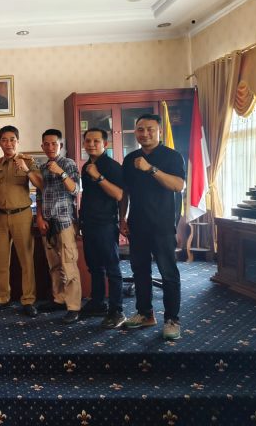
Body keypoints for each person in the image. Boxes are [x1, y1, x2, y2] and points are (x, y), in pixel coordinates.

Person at [120, 113, 185, 340]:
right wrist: (122, 218)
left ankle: (172, 319)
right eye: (140, 129)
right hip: (137, 224)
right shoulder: (130, 159)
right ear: (135, 132)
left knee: (168, 273)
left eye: (150, 129)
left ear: (159, 131)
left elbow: (178, 185)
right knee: (140, 271)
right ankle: (145, 313)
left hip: (162, 225)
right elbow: (125, 192)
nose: (145, 133)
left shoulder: (172, 156)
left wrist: (151, 169)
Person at [0, 126, 42, 317]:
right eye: (4, 140)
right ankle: (2, 298)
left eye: (12, 140)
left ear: (17, 141)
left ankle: (28, 300)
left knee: (26, 260)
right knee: (1, 260)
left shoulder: (28, 161)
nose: (8, 143)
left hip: (22, 215)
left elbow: (40, 184)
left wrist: (26, 170)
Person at [79, 128, 126, 329]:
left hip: (106, 224)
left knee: (112, 268)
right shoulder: (86, 166)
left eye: (96, 141)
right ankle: (98, 303)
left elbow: (119, 195)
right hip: (89, 223)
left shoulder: (112, 166)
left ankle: (117, 311)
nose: (91, 144)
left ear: (105, 144)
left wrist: (98, 177)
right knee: (94, 266)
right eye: (88, 141)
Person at [35, 128, 81, 324]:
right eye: (46, 144)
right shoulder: (43, 167)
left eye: (54, 143)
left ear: (60, 145)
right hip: (48, 222)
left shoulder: (68, 163)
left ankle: (74, 306)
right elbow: (40, 195)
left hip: (64, 222)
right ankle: (59, 299)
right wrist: (39, 217)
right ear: (42, 146)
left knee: (68, 265)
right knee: (54, 265)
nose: (50, 147)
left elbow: (76, 189)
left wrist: (61, 173)